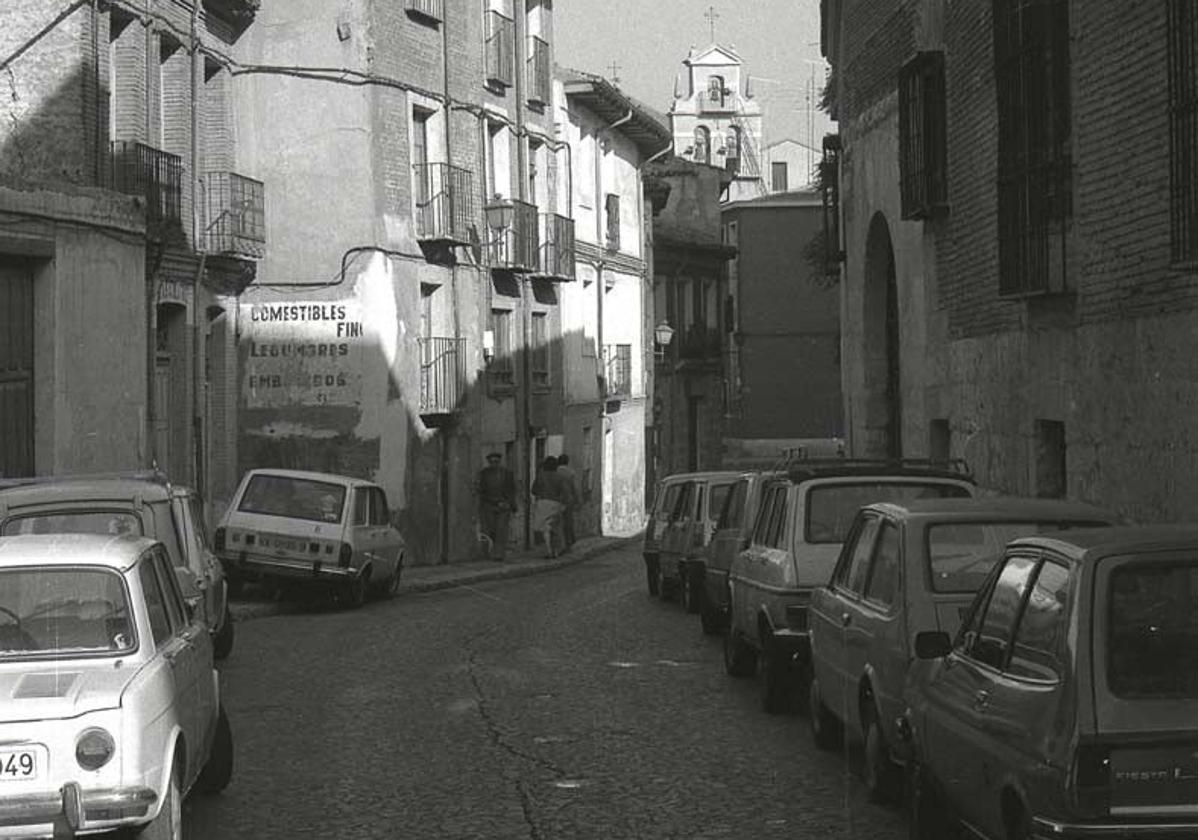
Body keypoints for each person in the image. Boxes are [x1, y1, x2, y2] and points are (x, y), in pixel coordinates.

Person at [477, 452, 517, 561]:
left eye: (496, 461)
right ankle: (489, 552)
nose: (494, 464)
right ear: (488, 462)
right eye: (492, 462)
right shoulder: (484, 474)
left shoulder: (507, 473)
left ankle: (499, 554)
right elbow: (480, 490)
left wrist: (510, 503)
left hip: (503, 505)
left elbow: (511, 489)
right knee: (490, 530)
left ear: (499, 462)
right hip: (488, 505)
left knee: (501, 530)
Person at [531, 456, 567, 559]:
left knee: (545, 529)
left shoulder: (541, 476)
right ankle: (556, 550)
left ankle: (549, 550)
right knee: (554, 528)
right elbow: (564, 492)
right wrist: (563, 504)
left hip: (542, 503)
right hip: (555, 504)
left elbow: (533, 490)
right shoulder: (560, 477)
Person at [555, 454, 579, 551]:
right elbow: (574, 487)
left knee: (558, 523)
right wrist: (577, 499)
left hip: (557, 500)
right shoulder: (570, 472)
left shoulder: (555, 472)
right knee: (568, 522)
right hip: (568, 500)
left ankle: (560, 544)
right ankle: (568, 542)